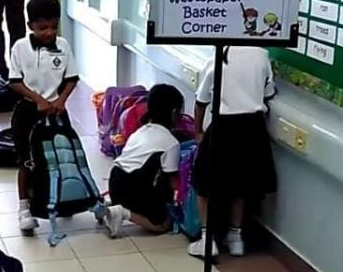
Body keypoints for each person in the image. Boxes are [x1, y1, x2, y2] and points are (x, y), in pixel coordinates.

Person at [189, 46, 277, 258]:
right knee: (241, 184)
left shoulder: (220, 54)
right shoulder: (261, 55)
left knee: (203, 183)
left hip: (224, 126)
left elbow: (201, 101)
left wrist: (198, 131)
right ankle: (235, 237)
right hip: (254, 127)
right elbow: (268, 92)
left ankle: (207, 239)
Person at [8, 0, 78, 232]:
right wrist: (38, 99)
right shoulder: (20, 47)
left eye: (53, 26)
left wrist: (61, 99)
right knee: (27, 161)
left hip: (57, 110)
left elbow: (71, 79)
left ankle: (63, 200)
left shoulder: (64, 46)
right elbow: (15, 81)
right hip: (28, 111)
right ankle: (24, 209)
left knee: (62, 156)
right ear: (30, 26)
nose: (49, 32)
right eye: (42, 27)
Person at [104, 84, 185, 238]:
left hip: (114, 180)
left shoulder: (140, 131)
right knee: (163, 224)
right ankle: (123, 212)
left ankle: (114, 204)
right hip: (131, 187)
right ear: (174, 113)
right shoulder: (171, 143)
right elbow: (172, 181)